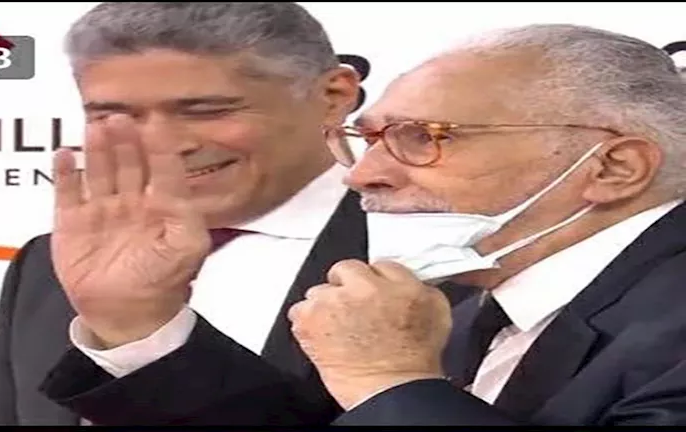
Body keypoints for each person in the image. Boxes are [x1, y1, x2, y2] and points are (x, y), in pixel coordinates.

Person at [37, 23, 686, 426]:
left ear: (615, 167)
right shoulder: (461, 308)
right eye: (368, 139)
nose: (361, 175)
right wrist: (141, 323)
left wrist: (391, 381)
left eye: (422, 137)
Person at [0, 2, 395, 425]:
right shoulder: (46, 264)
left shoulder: (415, 253)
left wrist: (140, 334)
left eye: (206, 111)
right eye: (112, 115)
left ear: (333, 96)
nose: (162, 144)